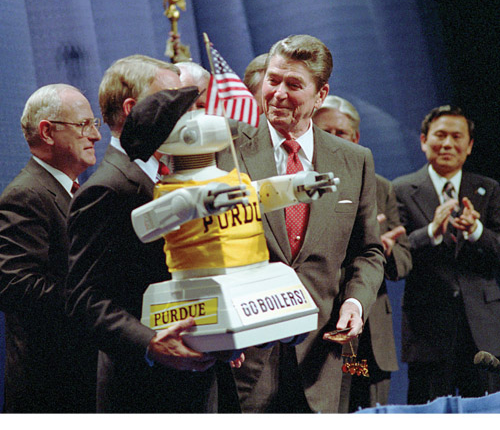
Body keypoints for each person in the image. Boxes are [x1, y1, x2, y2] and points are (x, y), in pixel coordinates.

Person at [216, 34, 385, 413]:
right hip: (244, 360)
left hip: (321, 362)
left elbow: (368, 251)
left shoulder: (354, 160)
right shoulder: (224, 148)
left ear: (320, 95)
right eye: (273, 80)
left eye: (293, 85)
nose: (277, 93)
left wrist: (357, 301)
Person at [64, 55, 220, 413]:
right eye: (172, 100)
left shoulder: (176, 173)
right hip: (144, 391)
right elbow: (85, 299)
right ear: (134, 109)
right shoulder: (106, 189)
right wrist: (150, 343)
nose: (187, 113)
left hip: (199, 379)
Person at [0, 83, 101, 412]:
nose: (95, 136)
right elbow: (15, 285)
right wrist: (98, 302)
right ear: (47, 131)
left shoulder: (74, 191)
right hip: (52, 390)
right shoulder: (25, 195)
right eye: (84, 125)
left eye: (94, 124)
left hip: (84, 378)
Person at [393, 105, 500, 404]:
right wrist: (431, 232)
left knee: (487, 413)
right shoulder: (401, 190)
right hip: (428, 331)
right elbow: (395, 253)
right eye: (440, 135)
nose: (448, 144)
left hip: (484, 331)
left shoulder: (488, 189)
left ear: (469, 146)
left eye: (457, 136)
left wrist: (477, 231)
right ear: (424, 140)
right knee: (426, 415)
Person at [312, 95, 412, 411]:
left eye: (342, 133)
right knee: (334, 411)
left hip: (368, 338)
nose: (334, 139)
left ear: (355, 139)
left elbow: (402, 265)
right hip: (322, 331)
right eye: (326, 131)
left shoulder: (380, 187)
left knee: (370, 411)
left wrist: (382, 246)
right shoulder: (299, 183)